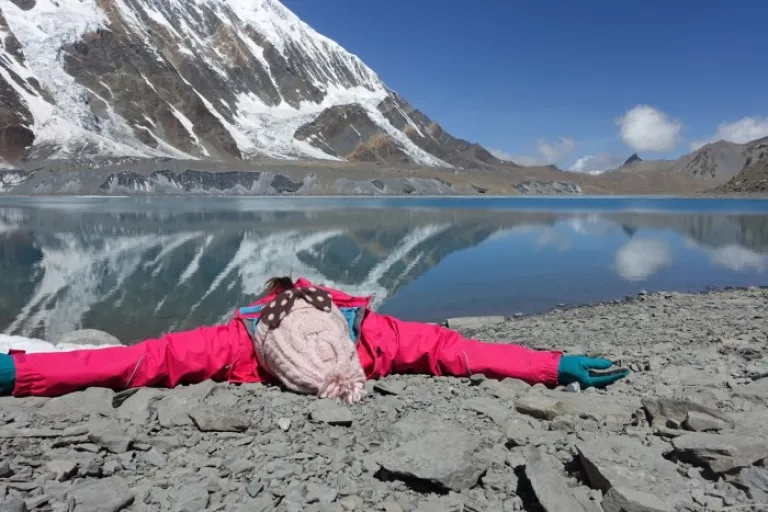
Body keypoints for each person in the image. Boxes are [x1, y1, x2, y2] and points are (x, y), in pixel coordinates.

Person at [0, 276, 629, 402]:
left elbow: (138, 361)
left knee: (146, 363)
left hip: (252, 354)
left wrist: (19, 370)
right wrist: (552, 364)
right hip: (354, 363)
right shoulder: (371, 328)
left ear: (266, 304)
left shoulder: (241, 338)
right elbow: (457, 351)